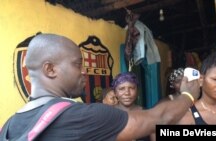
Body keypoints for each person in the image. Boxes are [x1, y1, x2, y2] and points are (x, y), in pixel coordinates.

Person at [0, 33, 200, 141]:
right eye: (78, 64)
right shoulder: (80, 116)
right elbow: (160, 118)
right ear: (50, 69)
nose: (83, 72)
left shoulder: (9, 126)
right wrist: (188, 95)